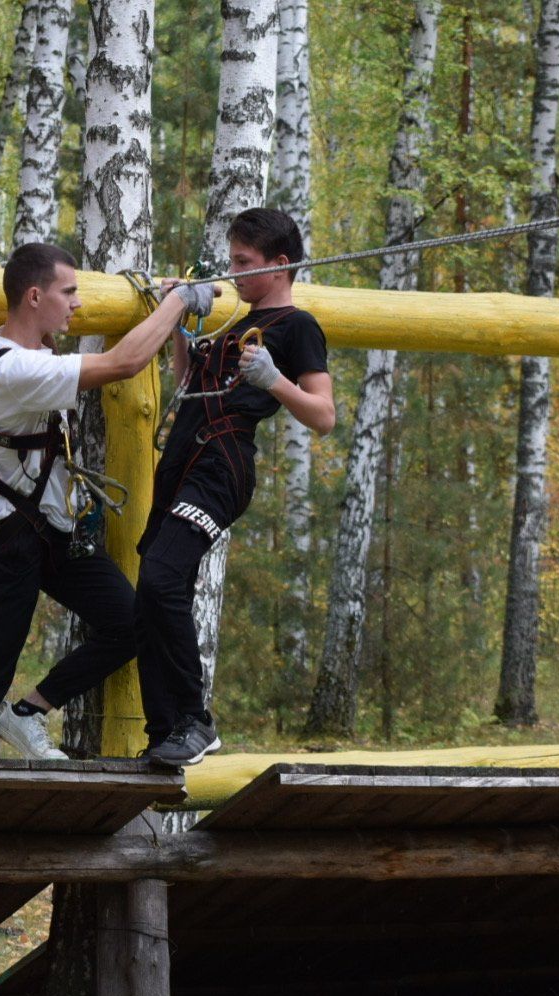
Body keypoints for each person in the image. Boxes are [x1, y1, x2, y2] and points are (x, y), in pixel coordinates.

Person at [0, 243, 219, 759]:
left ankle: (27, 713)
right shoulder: (11, 370)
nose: (78, 304)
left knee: (131, 621)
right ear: (34, 296)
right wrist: (176, 304)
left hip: (55, 533)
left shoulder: (35, 355)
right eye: (69, 292)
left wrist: (165, 305)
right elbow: (125, 362)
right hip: (12, 538)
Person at [138, 208, 336, 767]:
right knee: (148, 598)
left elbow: (324, 416)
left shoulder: (297, 327)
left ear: (280, 264)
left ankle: (194, 721)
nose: (234, 273)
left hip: (220, 469)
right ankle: (165, 733)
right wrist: (180, 325)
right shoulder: (232, 324)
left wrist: (275, 380)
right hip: (180, 463)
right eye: (231, 262)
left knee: (161, 577)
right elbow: (188, 385)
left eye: (244, 263)